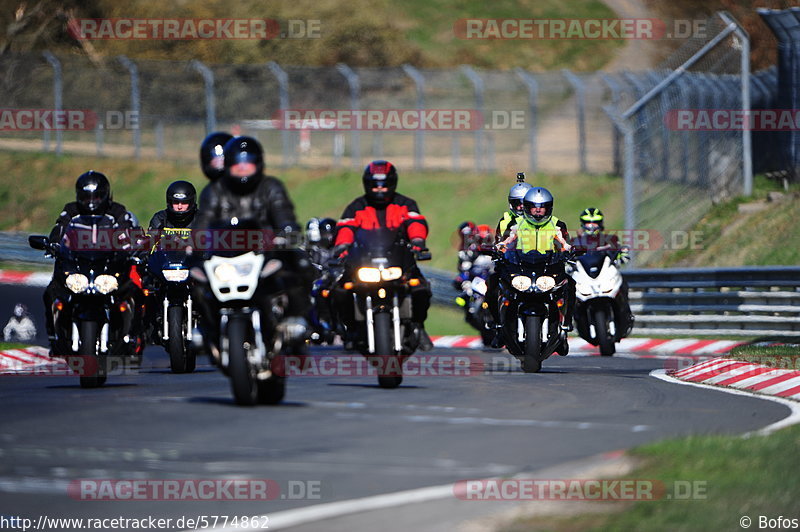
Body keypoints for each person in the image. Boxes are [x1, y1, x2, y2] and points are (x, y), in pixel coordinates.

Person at [193, 135, 312, 343]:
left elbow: (285, 218)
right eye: (238, 165)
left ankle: (296, 318)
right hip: (225, 256)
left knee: (300, 261)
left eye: (247, 164)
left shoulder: (271, 187)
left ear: (258, 164)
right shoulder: (214, 191)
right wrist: (195, 244)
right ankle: (206, 326)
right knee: (193, 273)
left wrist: (286, 235)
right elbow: (203, 223)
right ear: (228, 165)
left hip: (265, 252)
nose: (243, 169)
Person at [332, 160, 433, 350]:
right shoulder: (357, 206)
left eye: (384, 184)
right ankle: (351, 329)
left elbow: (415, 223)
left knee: (421, 288)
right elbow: (346, 227)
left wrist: (418, 241)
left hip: (399, 262)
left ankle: (417, 326)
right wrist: (341, 247)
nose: (380, 189)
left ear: (392, 183)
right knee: (340, 289)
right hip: (364, 264)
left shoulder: (405, 203)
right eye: (375, 185)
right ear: (367, 184)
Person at [42, 171, 138, 345]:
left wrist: (130, 247)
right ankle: (54, 333)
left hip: (108, 266)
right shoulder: (71, 211)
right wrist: (54, 245)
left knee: (136, 292)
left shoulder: (117, 211)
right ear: (79, 196)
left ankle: (131, 335)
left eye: (97, 197)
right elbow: (60, 230)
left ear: (105, 196)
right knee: (51, 292)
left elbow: (127, 232)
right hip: (77, 266)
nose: (91, 202)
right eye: (86, 198)